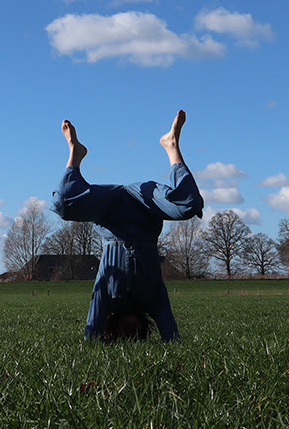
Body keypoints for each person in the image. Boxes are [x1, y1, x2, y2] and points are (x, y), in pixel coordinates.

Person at [50, 110, 204, 342]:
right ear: (143, 330)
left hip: (108, 208)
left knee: (62, 205)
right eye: (135, 336)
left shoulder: (107, 298)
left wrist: (95, 342)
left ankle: (75, 153)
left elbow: (90, 337)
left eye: (123, 335)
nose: (130, 333)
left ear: (111, 329)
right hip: (146, 204)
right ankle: (172, 146)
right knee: (189, 205)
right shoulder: (154, 299)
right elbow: (172, 339)